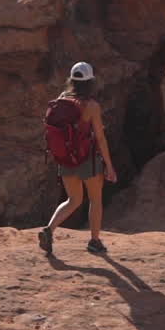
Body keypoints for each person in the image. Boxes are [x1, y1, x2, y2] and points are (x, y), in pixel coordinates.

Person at [39, 61, 117, 255]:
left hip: (65, 159)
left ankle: (49, 229)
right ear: (91, 82)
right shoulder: (91, 106)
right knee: (95, 199)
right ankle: (94, 241)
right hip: (86, 159)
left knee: (73, 200)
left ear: (72, 80)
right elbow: (100, 137)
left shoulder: (61, 100)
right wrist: (109, 166)